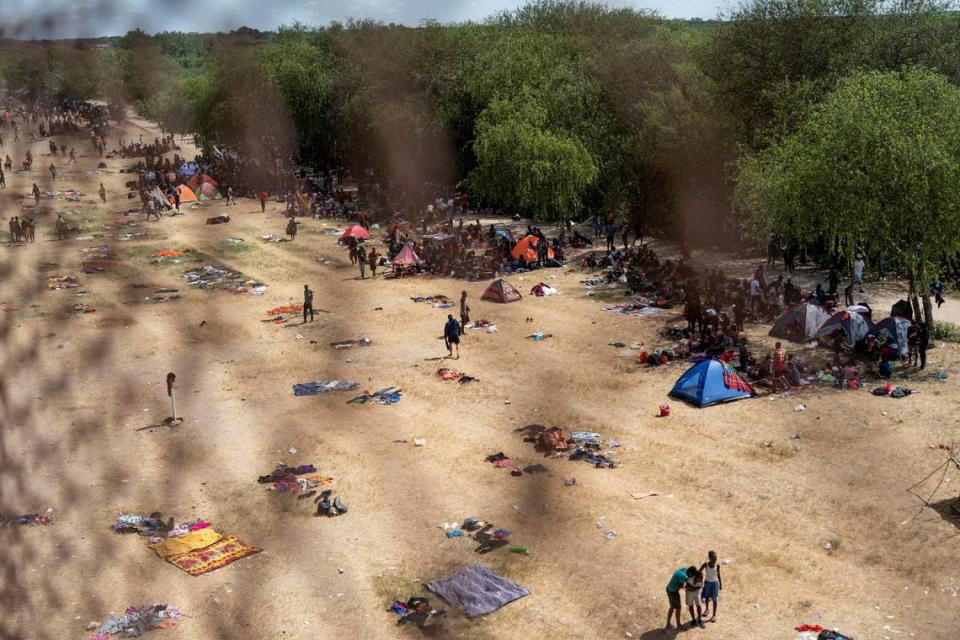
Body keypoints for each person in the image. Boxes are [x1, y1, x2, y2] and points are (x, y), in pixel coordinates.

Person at [700, 550, 722, 623]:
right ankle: (707, 609)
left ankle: (714, 615)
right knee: (706, 597)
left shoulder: (717, 566)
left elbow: (718, 575)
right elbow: (699, 571)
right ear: (709, 558)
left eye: (716, 559)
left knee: (714, 599)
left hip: (714, 584)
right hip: (707, 583)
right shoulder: (705, 565)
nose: (715, 561)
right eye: (713, 559)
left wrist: (720, 584)